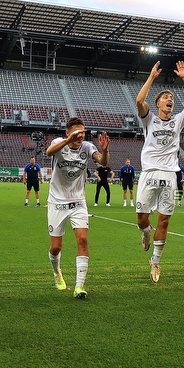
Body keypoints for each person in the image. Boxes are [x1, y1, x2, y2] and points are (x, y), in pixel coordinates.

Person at [135, 61, 184, 283]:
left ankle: (155, 261)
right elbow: (139, 101)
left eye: (171, 97)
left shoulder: (178, 121)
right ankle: (145, 232)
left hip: (169, 176)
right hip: (149, 173)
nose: (169, 99)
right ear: (158, 103)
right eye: (164, 97)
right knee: (141, 219)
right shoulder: (149, 120)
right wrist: (151, 78)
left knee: (164, 222)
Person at [45, 118, 109, 298]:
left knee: (82, 240)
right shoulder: (59, 143)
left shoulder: (87, 147)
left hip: (78, 202)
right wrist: (68, 140)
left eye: (83, 132)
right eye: (77, 132)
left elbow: (102, 162)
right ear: (68, 133)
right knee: (56, 247)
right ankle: (57, 272)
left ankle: (79, 286)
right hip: (57, 202)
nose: (81, 136)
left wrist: (104, 150)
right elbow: (49, 152)